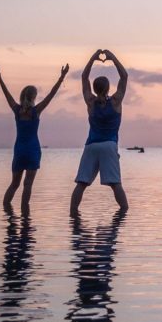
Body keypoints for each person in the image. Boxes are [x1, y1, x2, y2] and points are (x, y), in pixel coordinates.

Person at [0, 63, 68, 212]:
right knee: (28, 185)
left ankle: (6, 213)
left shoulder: (17, 110)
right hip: (33, 150)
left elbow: (6, 94)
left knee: (14, 184)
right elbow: (51, 95)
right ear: (34, 97)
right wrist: (62, 77)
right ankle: (25, 216)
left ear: (22, 96)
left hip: (20, 150)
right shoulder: (36, 111)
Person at [70, 49, 129, 216]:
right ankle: (124, 215)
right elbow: (124, 76)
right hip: (109, 146)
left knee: (81, 184)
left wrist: (92, 59)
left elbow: (83, 77)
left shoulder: (90, 102)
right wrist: (113, 58)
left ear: (95, 89)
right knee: (116, 184)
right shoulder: (116, 101)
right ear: (108, 88)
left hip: (91, 146)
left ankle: (73, 216)